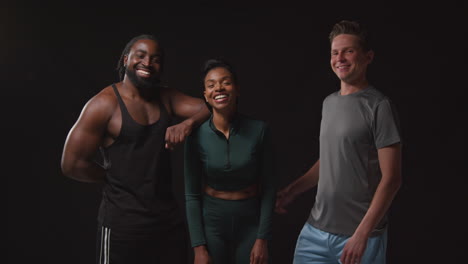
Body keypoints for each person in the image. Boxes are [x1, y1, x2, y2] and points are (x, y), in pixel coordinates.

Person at [60, 34, 210, 264]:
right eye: (140, 56)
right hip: (122, 225)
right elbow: (71, 164)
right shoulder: (103, 104)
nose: (148, 63)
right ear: (125, 60)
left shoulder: (166, 97)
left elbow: (212, 106)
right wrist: (111, 176)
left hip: (166, 222)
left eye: (155, 58)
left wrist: (187, 124)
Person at [275, 20, 402, 264]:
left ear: (368, 57)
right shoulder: (329, 103)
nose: (340, 58)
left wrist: (361, 235)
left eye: (349, 51)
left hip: (359, 236)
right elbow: (333, 159)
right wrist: (293, 191)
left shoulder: (379, 106)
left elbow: (392, 178)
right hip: (316, 231)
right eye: (335, 52)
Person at [184, 58, 277, 264]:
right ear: (206, 96)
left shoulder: (259, 130)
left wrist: (262, 239)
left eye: (225, 82)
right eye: (211, 85)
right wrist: (198, 247)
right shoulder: (195, 135)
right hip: (213, 224)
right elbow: (191, 195)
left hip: (251, 222)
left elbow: (270, 188)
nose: (219, 88)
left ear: (237, 89)